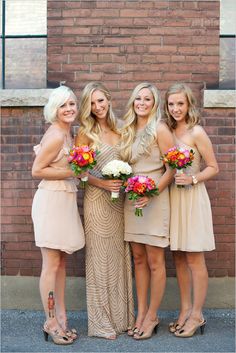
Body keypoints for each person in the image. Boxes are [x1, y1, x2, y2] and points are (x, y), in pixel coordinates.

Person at [75, 82, 135, 339]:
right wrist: (102, 183)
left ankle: (122, 318)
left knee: (120, 257)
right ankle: (100, 323)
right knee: (99, 260)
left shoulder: (123, 129)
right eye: (92, 103)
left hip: (120, 203)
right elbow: (79, 173)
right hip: (97, 203)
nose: (97, 107)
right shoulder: (86, 133)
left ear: (109, 100)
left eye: (101, 101)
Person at [120, 82, 175, 340]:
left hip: (155, 200)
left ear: (154, 104)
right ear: (133, 101)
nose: (141, 103)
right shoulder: (128, 129)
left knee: (155, 261)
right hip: (133, 201)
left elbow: (172, 169)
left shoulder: (160, 129)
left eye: (147, 99)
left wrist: (151, 193)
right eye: (138, 98)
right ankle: (140, 314)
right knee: (139, 260)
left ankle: (153, 316)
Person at [164, 83, 219, 337]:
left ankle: (197, 315)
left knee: (195, 258)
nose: (176, 109)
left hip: (193, 198)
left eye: (180, 104)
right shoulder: (166, 131)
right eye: (171, 104)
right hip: (174, 198)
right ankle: (184, 310)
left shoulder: (197, 132)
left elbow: (213, 167)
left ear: (189, 105)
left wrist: (194, 178)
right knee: (178, 256)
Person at [31, 85, 85, 345]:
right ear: (54, 109)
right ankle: (50, 321)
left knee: (61, 262)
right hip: (51, 201)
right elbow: (37, 170)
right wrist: (72, 172)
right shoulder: (55, 135)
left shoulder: (68, 134)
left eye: (72, 104)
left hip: (64, 200)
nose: (69, 109)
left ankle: (61, 318)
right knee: (51, 265)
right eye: (63, 105)